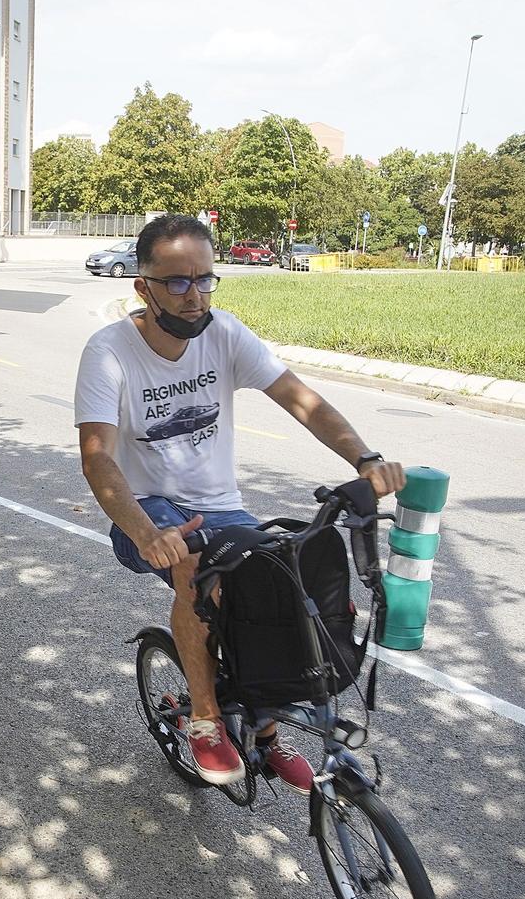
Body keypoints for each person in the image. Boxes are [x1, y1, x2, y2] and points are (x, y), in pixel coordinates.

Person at [75, 214, 406, 789]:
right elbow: (98, 457)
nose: (194, 295)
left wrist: (365, 460)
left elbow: (303, 401)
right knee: (192, 566)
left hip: (220, 506)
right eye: (177, 281)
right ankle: (206, 720)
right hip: (145, 507)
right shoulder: (109, 352)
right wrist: (144, 530)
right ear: (142, 286)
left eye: (205, 279)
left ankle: (264, 727)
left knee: (276, 582)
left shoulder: (225, 333)